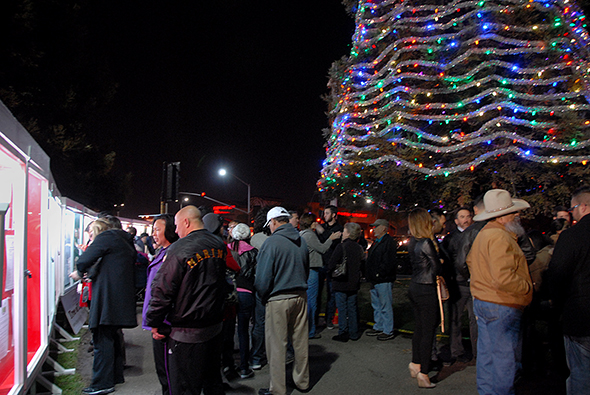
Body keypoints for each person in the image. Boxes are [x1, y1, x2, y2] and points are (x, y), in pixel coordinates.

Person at [146, 206, 229, 395]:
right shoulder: (218, 244)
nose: (175, 231)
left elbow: (163, 288)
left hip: (187, 331)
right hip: (214, 326)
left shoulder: (179, 248)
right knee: (211, 381)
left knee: (184, 387)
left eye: (176, 226)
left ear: (186, 222)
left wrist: (154, 321)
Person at [466, 189, 533, 395]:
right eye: (514, 213)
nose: (517, 217)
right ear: (503, 216)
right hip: (502, 304)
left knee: (487, 357)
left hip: (484, 301)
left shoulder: (485, 233)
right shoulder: (499, 237)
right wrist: (527, 288)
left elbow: (470, 262)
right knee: (504, 360)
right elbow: (502, 277)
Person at [70, 217, 137, 395]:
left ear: (97, 230)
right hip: (118, 299)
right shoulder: (121, 240)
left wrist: (80, 271)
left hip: (107, 299)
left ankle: (102, 383)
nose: (90, 237)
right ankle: (115, 376)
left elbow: (84, 260)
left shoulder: (105, 238)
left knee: (102, 340)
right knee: (111, 337)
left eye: (91, 233)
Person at [255, 207, 309, 395]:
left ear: (274, 222)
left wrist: (263, 296)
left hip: (278, 299)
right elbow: (306, 269)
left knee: (277, 347)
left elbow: (262, 279)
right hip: (300, 296)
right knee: (300, 342)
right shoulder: (301, 241)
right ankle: (302, 381)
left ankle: (278, 390)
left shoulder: (272, 243)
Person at [547, 186, 590, 394]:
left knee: (581, 373)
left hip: (581, 315)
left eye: (572, 208)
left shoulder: (572, 236)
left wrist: (556, 303)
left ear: (583, 207)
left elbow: (557, 275)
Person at [141, 214, 179, 395]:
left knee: (167, 372)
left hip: (163, 323)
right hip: (159, 321)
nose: (153, 234)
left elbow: (165, 292)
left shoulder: (171, 254)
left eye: (157, 229)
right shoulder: (164, 252)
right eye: (152, 230)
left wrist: (157, 322)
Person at [407, 208, 442, 389]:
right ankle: (424, 373)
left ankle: (416, 363)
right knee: (428, 331)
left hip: (414, 286)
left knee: (419, 328)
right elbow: (436, 268)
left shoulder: (413, 242)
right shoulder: (426, 242)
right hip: (427, 288)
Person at [299, 212, 341, 339]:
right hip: (312, 270)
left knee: (308, 301)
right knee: (312, 301)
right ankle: (310, 331)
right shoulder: (309, 235)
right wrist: (331, 239)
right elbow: (322, 249)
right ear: (311, 223)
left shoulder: (301, 234)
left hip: (307, 269)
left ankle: (307, 329)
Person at [442, 207, 476, 364]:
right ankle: (456, 350)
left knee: (475, 319)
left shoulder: (477, 234)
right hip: (458, 283)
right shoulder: (451, 239)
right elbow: (449, 261)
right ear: (456, 221)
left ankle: (477, 351)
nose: (466, 219)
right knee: (455, 318)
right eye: (462, 217)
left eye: (468, 216)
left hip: (475, 283)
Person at [228, 223, 258, 379]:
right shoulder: (253, 252)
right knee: (243, 331)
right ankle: (245, 367)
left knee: (228, 331)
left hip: (229, 293)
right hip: (246, 293)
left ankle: (228, 366)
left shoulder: (226, 249)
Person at [327, 222, 365, 342]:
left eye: (344, 231)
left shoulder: (341, 246)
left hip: (341, 281)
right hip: (353, 282)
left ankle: (343, 331)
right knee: (352, 307)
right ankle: (354, 332)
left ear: (348, 233)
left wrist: (329, 272)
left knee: (342, 307)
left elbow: (332, 263)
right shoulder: (359, 248)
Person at [365, 219, 397, 341]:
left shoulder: (388, 242)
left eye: (376, 227)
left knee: (385, 305)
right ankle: (379, 326)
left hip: (383, 279)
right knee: (377, 304)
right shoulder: (378, 242)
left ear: (384, 228)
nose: (374, 229)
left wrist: (379, 274)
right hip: (376, 278)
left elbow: (388, 262)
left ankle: (387, 329)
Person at [315, 205, 343, 329]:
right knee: (317, 292)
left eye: (327, 213)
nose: (324, 215)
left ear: (334, 215)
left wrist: (323, 232)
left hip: (332, 264)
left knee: (331, 293)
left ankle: (329, 319)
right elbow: (319, 242)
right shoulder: (323, 228)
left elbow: (333, 241)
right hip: (320, 263)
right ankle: (315, 319)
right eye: (324, 213)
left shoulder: (339, 228)